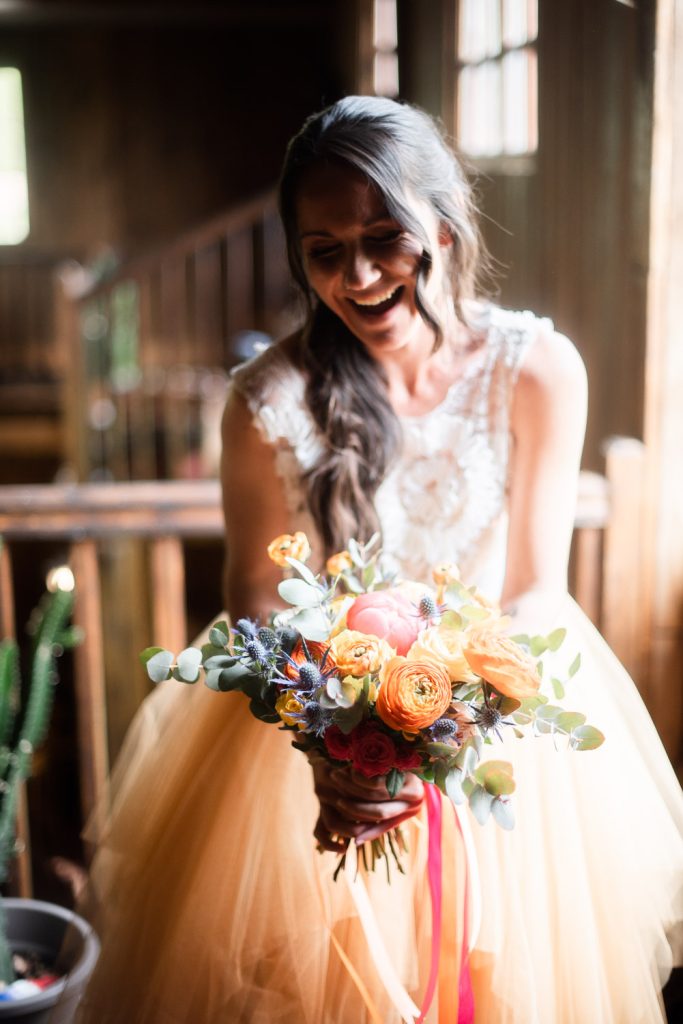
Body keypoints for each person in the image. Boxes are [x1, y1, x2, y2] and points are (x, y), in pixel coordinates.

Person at [74, 96, 683, 1023]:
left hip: (490, 718)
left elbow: (532, 589)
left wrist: (442, 727)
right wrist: (335, 746)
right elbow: (253, 599)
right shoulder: (264, 401)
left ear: (443, 225)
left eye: (382, 236)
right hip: (314, 725)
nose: (357, 275)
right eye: (324, 250)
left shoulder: (537, 370)